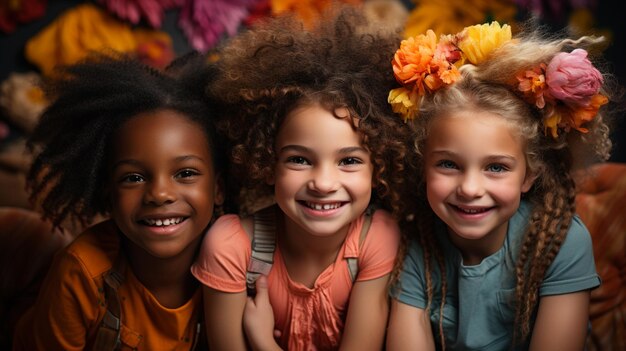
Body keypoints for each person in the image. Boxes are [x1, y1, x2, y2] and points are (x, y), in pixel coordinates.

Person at [189, 5, 418, 351]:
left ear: (379, 166)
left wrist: (263, 342)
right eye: (299, 159)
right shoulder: (230, 247)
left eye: (349, 161)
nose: (323, 183)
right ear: (266, 163)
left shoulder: (377, 238)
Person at [386, 21, 618, 350]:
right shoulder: (416, 236)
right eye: (448, 164)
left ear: (529, 175)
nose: (469, 188)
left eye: (496, 167)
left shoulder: (561, 240)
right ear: (422, 165)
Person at [12, 52, 227, 350]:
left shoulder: (240, 261)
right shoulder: (82, 272)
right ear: (107, 192)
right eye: (133, 178)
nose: (160, 194)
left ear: (218, 188)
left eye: (186, 173)